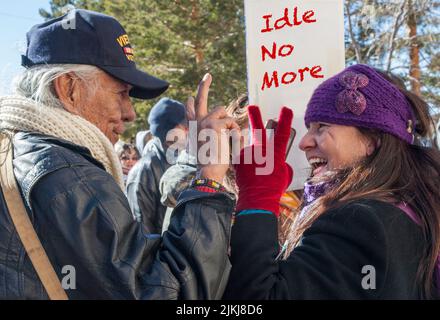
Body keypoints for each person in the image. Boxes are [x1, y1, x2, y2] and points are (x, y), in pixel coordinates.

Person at [0, 9, 238, 299]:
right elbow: (169, 295)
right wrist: (209, 179)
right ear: (68, 88)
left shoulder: (18, 151)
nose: (130, 113)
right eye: (121, 94)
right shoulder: (69, 176)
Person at [224, 64, 440, 299]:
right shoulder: (408, 212)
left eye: (322, 126)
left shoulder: (360, 222)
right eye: (309, 128)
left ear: (372, 140)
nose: (304, 142)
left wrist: (258, 197)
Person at [126, 97, 188, 233]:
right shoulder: (144, 170)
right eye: (184, 126)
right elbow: (142, 228)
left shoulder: (182, 161)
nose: (188, 131)